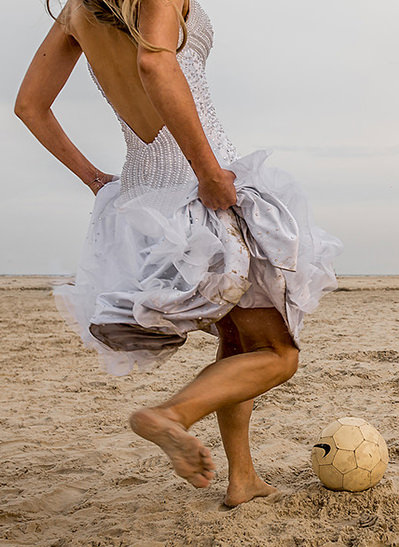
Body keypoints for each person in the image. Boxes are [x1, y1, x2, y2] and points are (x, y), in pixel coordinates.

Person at [15, 0, 342, 506]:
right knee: (276, 355)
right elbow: (155, 62)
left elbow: (29, 106)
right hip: (201, 187)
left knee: (238, 340)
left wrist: (92, 178)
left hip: (147, 198)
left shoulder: (76, 12)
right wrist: (209, 173)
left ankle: (243, 479)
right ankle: (170, 415)